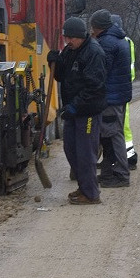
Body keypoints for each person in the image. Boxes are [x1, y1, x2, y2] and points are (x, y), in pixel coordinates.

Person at [47, 16, 106, 204]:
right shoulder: (69, 51)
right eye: (66, 37)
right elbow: (61, 76)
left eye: (71, 37)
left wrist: (75, 106)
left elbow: (94, 87)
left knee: (85, 153)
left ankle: (91, 194)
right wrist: (54, 62)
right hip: (73, 110)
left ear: (81, 36)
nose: (68, 41)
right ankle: (84, 186)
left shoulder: (93, 53)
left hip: (87, 111)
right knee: (71, 149)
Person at [90, 9, 132, 188]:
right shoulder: (119, 39)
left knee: (114, 136)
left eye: (93, 26)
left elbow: (101, 70)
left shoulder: (107, 42)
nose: (91, 30)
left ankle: (121, 175)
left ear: (98, 26)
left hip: (110, 97)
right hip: (118, 95)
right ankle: (108, 173)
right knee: (109, 136)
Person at [111, 14, 137, 170]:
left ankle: (129, 158)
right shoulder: (127, 41)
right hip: (124, 87)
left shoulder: (122, 42)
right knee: (122, 124)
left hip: (120, 89)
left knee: (122, 125)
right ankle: (127, 156)